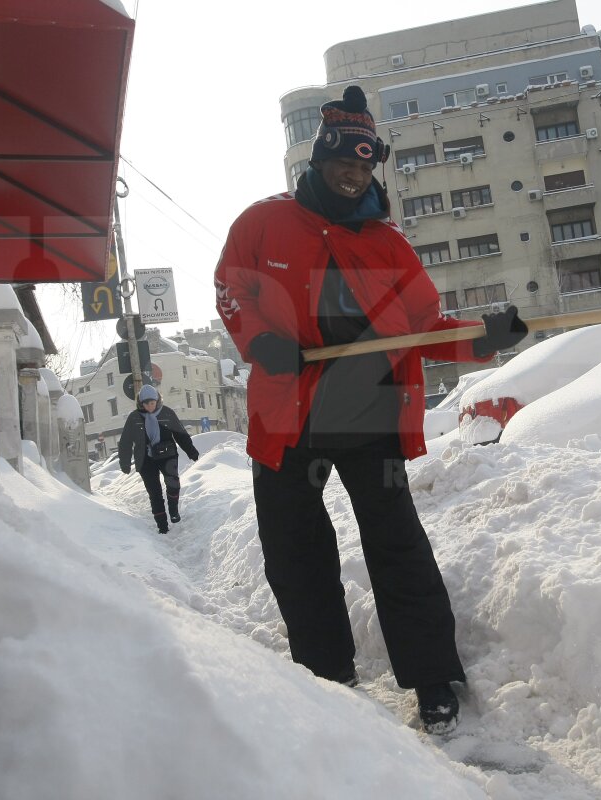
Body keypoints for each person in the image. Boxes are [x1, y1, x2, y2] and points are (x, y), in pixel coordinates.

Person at [213, 85, 527, 733]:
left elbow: (427, 327)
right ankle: (325, 673)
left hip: (370, 412)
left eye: (363, 167)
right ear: (320, 160)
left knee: (397, 543)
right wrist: (261, 341)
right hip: (288, 415)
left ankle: (433, 676)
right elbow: (230, 288)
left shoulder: (388, 244)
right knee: (294, 548)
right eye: (341, 163)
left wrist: (485, 337)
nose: (352, 176)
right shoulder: (263, 224)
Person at [118, 384, 199, 534]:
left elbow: (180, 434)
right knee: (154, 493)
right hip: (145, 460)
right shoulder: (134, 418)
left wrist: (191, 452)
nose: (150, 406)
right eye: (146, 404)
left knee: (173, 484)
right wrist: (125, 462)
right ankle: (162, 526)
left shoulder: (167, 413)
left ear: (157, 400)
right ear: (140, 403)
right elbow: (125, 442)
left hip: (167, 455)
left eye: (152, 403)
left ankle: (173, 511)